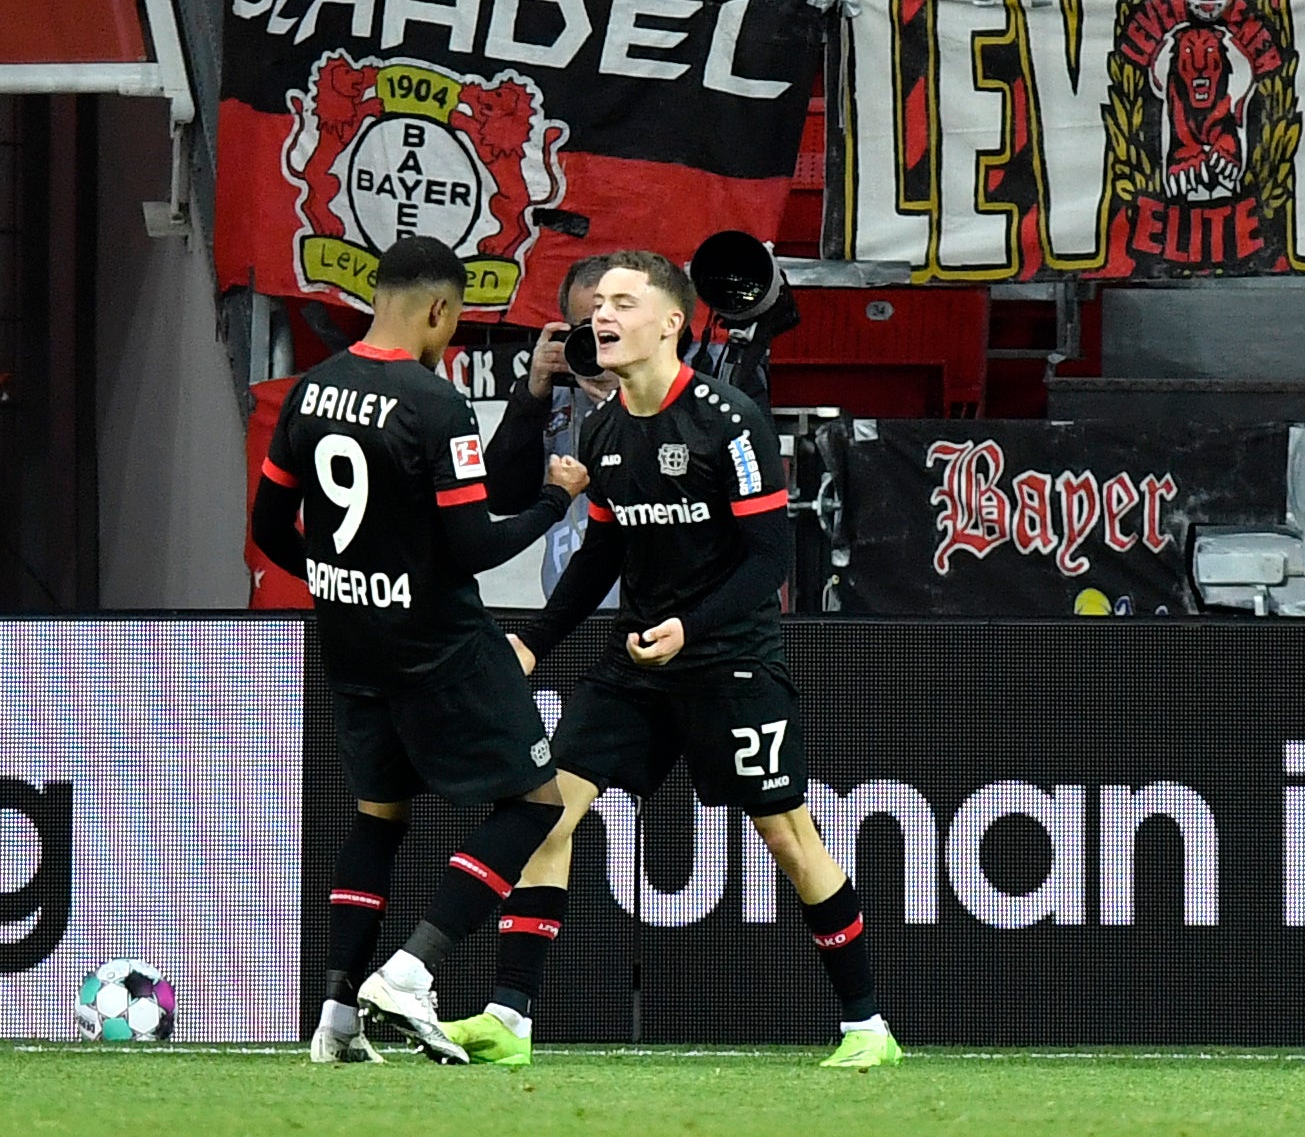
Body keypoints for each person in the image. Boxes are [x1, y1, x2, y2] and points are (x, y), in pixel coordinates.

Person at [438, 250, 900, 1069]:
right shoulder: (604, 426)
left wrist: (690, 625)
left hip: (729, 659)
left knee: (790, 837)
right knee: (550, 807)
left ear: (671, 324)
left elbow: (768, 560)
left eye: (623, 301)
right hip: (636, 665)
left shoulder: (730, 421)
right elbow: (602, 554)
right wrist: (533, 641)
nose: (601, 316)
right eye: (598, 303)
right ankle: (510, 1017)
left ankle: (867, 1027)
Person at [251, 236, 591, 1065]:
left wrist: (341, 579)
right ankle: (411, 969)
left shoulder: (309, 392)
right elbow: (475, 545)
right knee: (539, 802)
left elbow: (266, 530)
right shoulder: (435, 405)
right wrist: (555, 499)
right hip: (441, 647)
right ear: (439, 309)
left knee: (377, 819)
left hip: (352, 645)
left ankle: (335, 1015)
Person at [486, 256, 621, 600]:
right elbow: (502, 498)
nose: (600, 345)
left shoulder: (674, 395)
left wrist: (626, 401)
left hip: (650, 621)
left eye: (610, 330)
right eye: (585, 331)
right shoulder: (555, 395)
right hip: (566, 618)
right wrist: (530, 400)